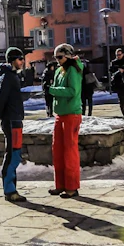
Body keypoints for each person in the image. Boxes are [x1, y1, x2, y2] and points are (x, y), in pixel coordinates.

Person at [47, 43, 83, 198]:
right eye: (55, 57)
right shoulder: (59, 71)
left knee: (70, 152)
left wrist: (52, 90)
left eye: (60, 57)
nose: (57, 60)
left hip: (71, 115)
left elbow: (72, 91)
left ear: (68, 55)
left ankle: (72, 186)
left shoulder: (73, 70)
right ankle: (60, 184)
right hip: (60, 114)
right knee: (58, 151)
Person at [0, 47, 26, 202]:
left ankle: (11, 188)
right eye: (20, 59)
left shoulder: (10, 75)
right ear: (13, 60)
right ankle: (9, 190)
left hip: (14, 119)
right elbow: (1, 98)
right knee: (13, 154)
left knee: (14, 154)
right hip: (12, 120)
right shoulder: (8, 77)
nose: (22, 61)